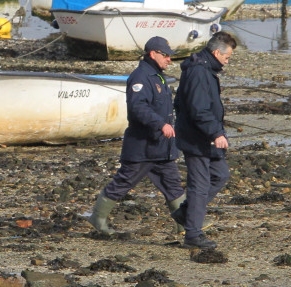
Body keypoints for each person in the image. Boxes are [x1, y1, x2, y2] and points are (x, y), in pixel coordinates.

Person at [88, 36, 186, 235]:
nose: (170, 60)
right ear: (153, 54)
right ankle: (97, 218)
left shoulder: (157, 76)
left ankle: (186, 226)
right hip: (142, 147)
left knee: (173, 185)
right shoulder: (140, 77)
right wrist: (161, 125)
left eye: (170, 56)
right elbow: (138, 107)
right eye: (166, 56)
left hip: (162, 147)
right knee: (123, 182)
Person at [171, 31, 237, 249]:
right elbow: (199, 109)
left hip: (205, 136)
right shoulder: (198, 71)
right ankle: (192, 234)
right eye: (227, 58)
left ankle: (186, 213)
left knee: (220, 174)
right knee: (199, 185)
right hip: (196, 137)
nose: (227, 63)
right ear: (217, 53)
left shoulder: (206, 69)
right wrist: (216, 133)